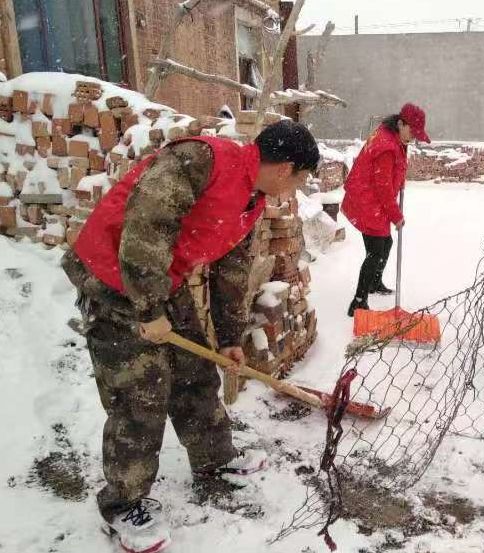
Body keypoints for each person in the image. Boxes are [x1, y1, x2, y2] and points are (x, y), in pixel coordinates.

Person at [61, 120, 319, 553]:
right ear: (285, 168)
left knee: (195, 370)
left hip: (162, 282)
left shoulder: (251, 199)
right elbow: (145, 227)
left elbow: (232, 270)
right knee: (141, 390)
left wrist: (229, 337)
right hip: (112, 277)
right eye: (301, 179)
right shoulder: (201, 161)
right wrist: (148, 309)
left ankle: (213, 460)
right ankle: (123, 503)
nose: (297, 189)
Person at [341, 103, 431, 317]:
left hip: (371, 199)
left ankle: (373, 283)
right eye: (412, 132)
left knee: (384, 244)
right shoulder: (387, 146)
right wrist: (396, 217)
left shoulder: (394, 138)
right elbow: (382, 187)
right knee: (375, 252)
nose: (413, 137)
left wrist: (399, 180)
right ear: (400, 123)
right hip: (368, 201)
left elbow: (391, 173)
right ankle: (358, 302)